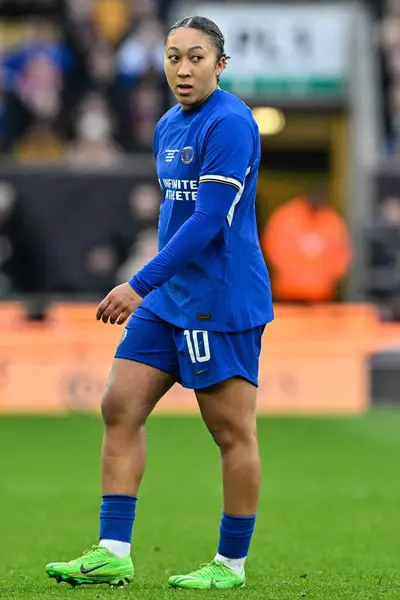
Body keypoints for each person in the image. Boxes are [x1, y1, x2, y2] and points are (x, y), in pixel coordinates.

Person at [45, 15, 274, 591]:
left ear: (220, 65)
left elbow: (205, 223)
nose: (182, 68)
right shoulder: (169, 124)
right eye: (173, 56)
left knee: (230, 433)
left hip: (220, 299)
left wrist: (136, 282)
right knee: (119, 405)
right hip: (170, 297)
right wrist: (154, 286)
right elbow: (175, 218)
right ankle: (113, 551)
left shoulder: (231, 124)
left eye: (196, 57)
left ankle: (230, 565)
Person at [261, 185, 352, 302]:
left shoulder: (331, 222)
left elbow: (341, 255)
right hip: (287, 292)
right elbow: (272, 247)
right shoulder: (286, 218)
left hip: (323, 294)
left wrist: (326, 279)